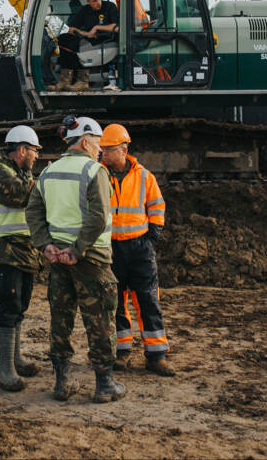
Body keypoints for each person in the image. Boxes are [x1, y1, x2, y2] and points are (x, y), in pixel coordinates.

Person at [25, 116, 126, 403]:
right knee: (100, 322)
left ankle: (62, 382)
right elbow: (97, 217)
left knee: (61, 318)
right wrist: (78, 249)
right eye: (97, 144)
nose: (100, 150)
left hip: (57, 260)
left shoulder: (48, 172)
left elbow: (33, 212)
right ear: (84, 141)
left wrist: (45, 245)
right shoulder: (95, 171)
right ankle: (104, 385)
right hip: (91, 260)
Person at [99, 123, 174, 377]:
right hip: (112, 248)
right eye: (102, 150)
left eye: (108, 150)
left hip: (139, 247)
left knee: (147, 300)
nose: (104, 155)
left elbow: (157, 205)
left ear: (124, 149)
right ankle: (122, 352)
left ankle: (156, 355)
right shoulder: (101, 175)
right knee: (116, 301)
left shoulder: (144, 176)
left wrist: (152, 235)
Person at [0, 124, 42, 392]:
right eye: (35, 152)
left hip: (23, 250)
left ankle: (14, 360)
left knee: (20, 305)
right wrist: (47, 182)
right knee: (9, 305)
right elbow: (23, 196)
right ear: (22, 149)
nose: (37, 157)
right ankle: (3, 371)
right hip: (6, 251)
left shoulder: (19, 172)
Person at [53, 0, 119, 92]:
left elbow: (116, 27)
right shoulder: (85, 10)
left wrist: (97, 28)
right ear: (88, 2)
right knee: (63, 39)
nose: (98, 3)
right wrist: (87, 34)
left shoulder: (109, 7)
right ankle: (65, 80)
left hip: (105, 39)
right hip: (89, 39)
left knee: (77, 46)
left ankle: (82, 81)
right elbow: (71, 28)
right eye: (94, 1)